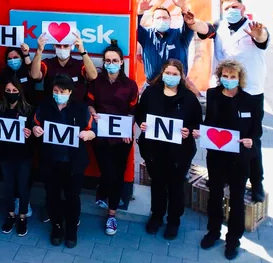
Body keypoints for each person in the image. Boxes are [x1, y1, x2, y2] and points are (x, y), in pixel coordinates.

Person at [197, 0, 269, 203]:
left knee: (251, 139)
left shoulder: (254, 27)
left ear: (243, 8)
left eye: (235, 6)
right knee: (219, 132)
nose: (231, 10)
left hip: (250, 92)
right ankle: (220, 176)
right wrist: (191, 21)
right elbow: (203, 29)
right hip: (223, 91)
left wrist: (259, 35)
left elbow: (262, 38)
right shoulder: (219, 26)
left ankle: (256, 182)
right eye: (227, 7)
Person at [195, 60, 261, 260]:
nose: (228, 80)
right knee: (215, 195)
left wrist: (251, 140)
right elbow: (208, 122)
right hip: (216, 156)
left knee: (236, 199)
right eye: (225, 76)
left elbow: (256, 130)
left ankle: (233, 240)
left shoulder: (250, 101)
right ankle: (213, 231)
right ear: (220, 76)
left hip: (239, 159)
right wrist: (201, 131)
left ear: (239, 79)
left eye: (233, 77)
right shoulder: (213, 95)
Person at [135, 59, 202, 240]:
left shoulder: (189, 98)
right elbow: (140, 113)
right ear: (162, 74)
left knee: (175, 187)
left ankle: (174, 221)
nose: (171, 77)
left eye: (175, 74)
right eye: (168, 73)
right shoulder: (150, 93)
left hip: (179, 154)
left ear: (181, 76)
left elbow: (197, 122)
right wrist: (141, 123)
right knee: (157, 184)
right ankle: (156, 216)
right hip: (154, 151)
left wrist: (189, 130)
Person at [32, 75, 96, 248]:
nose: (59, 94)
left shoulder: (81, 109)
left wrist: (88, 134)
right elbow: (34, 123)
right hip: (50, 161)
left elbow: (93, 130)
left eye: (62, 91)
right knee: (52, 196)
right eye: (56, 91)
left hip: (73, 163)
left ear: (70, 92)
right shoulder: (44, 106)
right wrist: (36, 129)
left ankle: (72, 229)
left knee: (72, 197)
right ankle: (57, 227)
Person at [86, 41, 139, 236]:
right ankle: (103, 191)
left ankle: (112, 214)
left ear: (121, 62)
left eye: (115, 60)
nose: (111, 64)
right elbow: (89, 103)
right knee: (106, 170)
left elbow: (133, 110)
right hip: (100, 136)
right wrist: (92, 113)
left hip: (122, 138)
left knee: (117, 174)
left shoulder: (130, 85)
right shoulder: (96, 82)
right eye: (107, 60)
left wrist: (128, 130)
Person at [0, 77, 35, 237]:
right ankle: (10, 215)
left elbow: (35, 133)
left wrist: (30, 133)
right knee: (8, 186)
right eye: (8, 90)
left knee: (23, 187)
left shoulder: (28, 110)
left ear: (20, 92)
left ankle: (22, 217)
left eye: (14, 90)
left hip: (23, 156)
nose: (11, 93)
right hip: (5, 155)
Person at [136, 0, 207, 93]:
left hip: (178, 87)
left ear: (170, 20)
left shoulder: (180, 34)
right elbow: (132, 27)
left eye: (165, 18)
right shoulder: (146, 35)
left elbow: (189, 22)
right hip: (152, 87)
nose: (162, 20)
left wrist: (184, 8)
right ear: (153, 21)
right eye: (158, 18)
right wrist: (140, 11)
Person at [30, 32, 97, 103]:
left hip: (76, 106)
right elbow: (35, 76)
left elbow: (93, 76)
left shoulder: (80, 64)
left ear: (71, 47)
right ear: (54, 46)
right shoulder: (47, 63)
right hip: (51, 106)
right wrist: (39, 50)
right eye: (58, 46)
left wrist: (82, 52)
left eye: (66, 46)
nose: (62, 48)